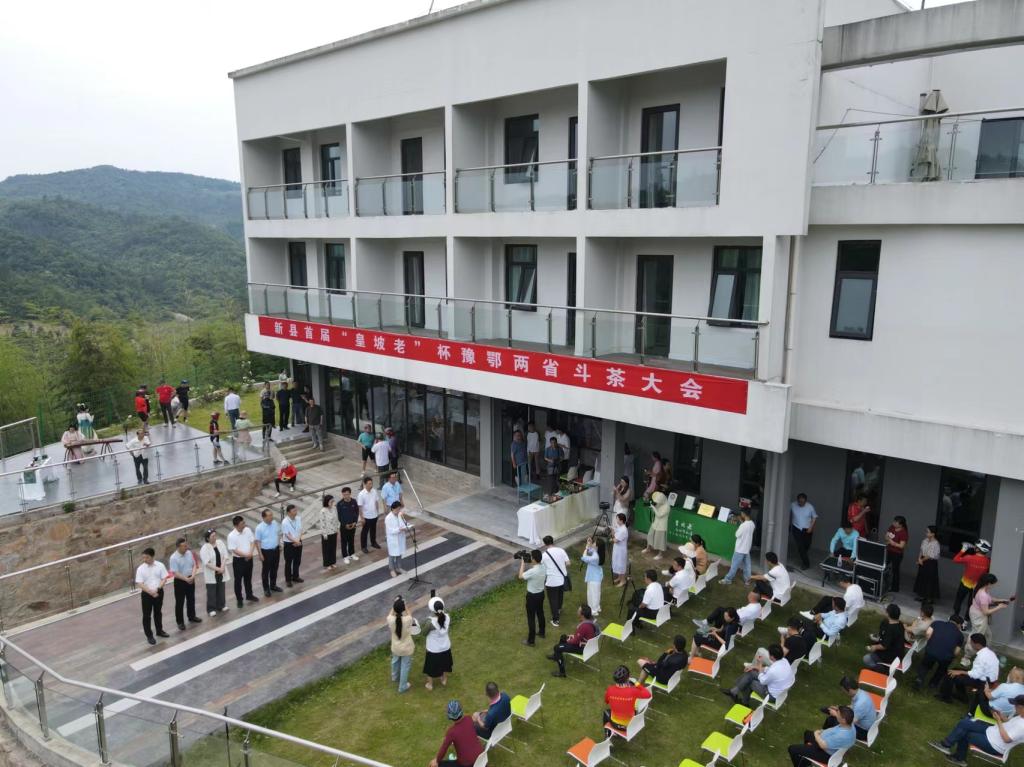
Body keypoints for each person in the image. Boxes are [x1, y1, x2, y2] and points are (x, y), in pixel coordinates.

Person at [929, 694, 1024, 767]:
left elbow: (1007, 739)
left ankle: (959, 758)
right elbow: (1010, 725)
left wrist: (998, 721)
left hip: (995, 745)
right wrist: (1002, 717)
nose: (1014, 707)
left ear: (1022, 707)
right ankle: (946, 745)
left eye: (1016, 705)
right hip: (992, 732)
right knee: (965, 723)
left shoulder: (1022, 725)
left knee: (966, 734)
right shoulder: (1021, 716)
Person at [723, 643, 794, 707]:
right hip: (779, 692)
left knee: (749, 682)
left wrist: (760, 664)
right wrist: (754, 667)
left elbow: (762, 680)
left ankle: (743, 701)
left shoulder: (774, 670)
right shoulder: (784, 661)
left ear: (772, 657)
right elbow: (768, 670)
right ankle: (734, 692)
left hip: (771, 696)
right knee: (751, 672)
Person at [938, 633, 1000, 704]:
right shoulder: (990, 653)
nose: (970, 645)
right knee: (956, 670)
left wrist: (960, 672)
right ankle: (961, 695)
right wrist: (960, 671)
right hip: (989, 680)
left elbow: (975, 675)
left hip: (983, 683)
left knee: (951, 674)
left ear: (977, 645)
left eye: (971, 643)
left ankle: (945, 698)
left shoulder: (981, 657)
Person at [787, 705, 856, 767]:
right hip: (828, 746)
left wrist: (816, 734)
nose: (836, 714)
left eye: (838, 714)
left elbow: (822, 745)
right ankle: (806, 759)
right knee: (807, 733)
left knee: (792, 749)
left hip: (825, 753)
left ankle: (804, 763)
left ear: (843, 720)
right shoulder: (850, 725)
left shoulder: (841, 735)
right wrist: (823, 731)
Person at [914, 614, 967, 690]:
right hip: (945, 656)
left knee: (925, 664)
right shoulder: (960, 635)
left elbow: (928, 633)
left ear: (949, 619)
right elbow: (956, 652)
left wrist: (930, 644)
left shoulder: (937, 623)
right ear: (959, 624)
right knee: (942, 669)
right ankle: (933, 684)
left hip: (931, 650)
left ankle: (919, 679)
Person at [429, 700, 483, 767]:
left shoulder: (451, 732)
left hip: (466, 764)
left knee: (433, 764)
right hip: (481, 759)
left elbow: (443, 749)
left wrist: (436, 760)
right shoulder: (469, 719)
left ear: (449, 716)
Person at [550, 604, 599, 677]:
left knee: (557, 648)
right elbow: (582, 636)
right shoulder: (590, 621)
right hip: (587, 645)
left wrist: (569, 640)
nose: (577, 611)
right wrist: (573, 637)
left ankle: (562, 672)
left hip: (583, 648)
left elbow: (575, 641)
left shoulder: (584, 626)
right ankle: (556, 656)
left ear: (582, 615)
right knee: (563, 637)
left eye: (579, 611)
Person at [820, 677, 876, 741]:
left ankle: (825, 740)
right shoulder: (860, 693)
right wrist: (839, 709)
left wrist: (836, 714)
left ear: (849, 690)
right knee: (832, 719)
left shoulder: (861, 703)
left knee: (835, 721)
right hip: (861, 725)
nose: (843, 692)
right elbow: (852, 707)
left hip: (864, 732)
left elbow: (849, 722)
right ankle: (823, 737)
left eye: (843, 690)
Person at [134, 547, 170, 645]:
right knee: (146, 615)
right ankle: (149, 635)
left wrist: (157, 589)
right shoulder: (141, 569)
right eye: (143, 558)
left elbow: (164, 579)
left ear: (152, 556)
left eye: (147, 557)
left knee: (158, 612)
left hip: (158, 592)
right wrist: (151, 592)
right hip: (147, 594)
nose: (144, 559)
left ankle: (159, 630)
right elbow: (140, 583)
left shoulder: (160, 565)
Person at [968, 573, 1012, 649]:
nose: (993, 586)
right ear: (988, 583)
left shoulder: (981, 588)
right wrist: (999, 607)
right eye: (993, 584)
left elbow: (989, 599)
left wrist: (1001, 600)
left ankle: (986, 650)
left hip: (977, 613)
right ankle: (968, 653)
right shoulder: (983, 595)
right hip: (979, 616)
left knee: (988, 635)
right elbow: (986, 612)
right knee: (976, 637)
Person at [168, 538, 202, 631]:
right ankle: (180, 622)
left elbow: (194, 565)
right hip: (180, 581)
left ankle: (192, 616)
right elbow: (175, 573)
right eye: (184, 546)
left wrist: (193, 576)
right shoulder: (173, 558)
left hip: (190, 578)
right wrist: (186, 579)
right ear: (178, 547)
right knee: (180, 602)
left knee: (191, 599)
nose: (186, 547)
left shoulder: (189, 553)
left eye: (186, 545)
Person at [603, 665, 652, 730]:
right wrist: (636, 683)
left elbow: (606, 701)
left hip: (615, 725)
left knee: (606, 712)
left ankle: (608, 732)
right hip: (631, 725)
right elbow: (648, 695)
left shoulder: (610, 690)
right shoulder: (633, 690)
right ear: (628, 678)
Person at [952, 540, 992, 618]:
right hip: (977, 586)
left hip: (964, 584)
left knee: (958, 600)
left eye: (976, 546)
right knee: (971, 604)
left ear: (978, 549)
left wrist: (963, 549)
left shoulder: (969, 557)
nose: (974, 547)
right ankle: (966, 621)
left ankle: (955, 616)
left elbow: (955, 559)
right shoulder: (988, 561)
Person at [226, 515, 259, 608]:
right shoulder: (231, 536)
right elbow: (234, 550)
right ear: (236, 525)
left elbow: (252, 542)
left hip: (249, 557)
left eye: (244, 522)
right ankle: (239, 599)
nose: (244, 525)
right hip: (239, 561)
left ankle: (249, 595)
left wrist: (250, 553)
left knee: (248, 578)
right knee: (238, 581)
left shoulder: (247, 530)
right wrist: (246, 555)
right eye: (242, 524)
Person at [388, 597, 418, 693]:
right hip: (406, 648)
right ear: (403, 608)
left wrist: (395, 604)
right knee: (405, 666)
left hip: (395, 647)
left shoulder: (390, 619)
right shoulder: (407, 620)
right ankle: (402, 686)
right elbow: (410, 615)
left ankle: (395, 677)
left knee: (395, 661)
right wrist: (405, 606)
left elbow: (390, 614)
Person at [423, 595, 454, 690]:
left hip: (433, 649)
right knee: (444, 664)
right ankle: (443, 679)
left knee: (430, 668)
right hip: (445, 646)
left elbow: (424, 633)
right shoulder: (447, 617)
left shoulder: (430, 622)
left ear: (433, 610)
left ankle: (430, 684)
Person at [519, 549, 547, 646]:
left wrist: (522, 563)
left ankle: (531, 641)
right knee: (540, 613)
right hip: (541, 594)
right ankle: (542, 632)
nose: (530, 558)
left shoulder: (533, 571)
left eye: (531, 557)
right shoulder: (543, 566)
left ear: (534, 559)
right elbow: (536, 565)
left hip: (532, 596)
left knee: (531, 618)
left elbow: (520, 576)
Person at [541, 535, 571, 628]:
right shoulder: (561, 550)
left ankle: (555, 620)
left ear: (545, 544)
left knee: (553, 600)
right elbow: (568, 563)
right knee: (560, 595)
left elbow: (542, 568)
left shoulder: (544, 555)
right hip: (562, 579)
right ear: (553, 541)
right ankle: (558, 609)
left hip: (551, 581)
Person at [721, 509, 756, 585]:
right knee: (747, 566)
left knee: (734, 566)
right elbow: (747, 531)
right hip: (747, 549)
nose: (741, 514)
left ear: (744, 514)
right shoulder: (752, 524)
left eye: (741, 513)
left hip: (740, 549)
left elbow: (736, 535)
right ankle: (747, 580)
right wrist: (742, 523)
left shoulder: (743, 525)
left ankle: (728, 579)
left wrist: (741, 525)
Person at [199, 529, 230, 616]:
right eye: (212, 536)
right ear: (208, 538)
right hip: (212, 572)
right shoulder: (204, 548)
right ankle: (211, 609)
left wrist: (222, 567)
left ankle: (221, 605)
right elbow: (207, 563)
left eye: (215, 535)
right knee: (211, 591)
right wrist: (218, 569)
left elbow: (225, 555)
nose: (214, 537)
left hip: (221, 570)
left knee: (221, 588)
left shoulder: (220, 543)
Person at [863, 603, 903, 668]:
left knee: (866, 659)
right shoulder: (900, 624)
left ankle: (880, 669)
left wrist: (874, 647)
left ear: (888, 614)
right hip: (898, 652)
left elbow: (884, 646)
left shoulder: (891, 629)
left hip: (891, 656)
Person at [255, 509, 282, 596]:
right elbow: (257, 542)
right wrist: (260, 554)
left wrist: (279, 544)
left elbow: (278, 534)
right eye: (269, 515)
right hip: (266, 552)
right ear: (264, 517)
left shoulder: (275, 523)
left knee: (275, 568)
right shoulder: (259, 528)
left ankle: (273, 585)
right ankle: (266, 589)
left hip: (276, 550)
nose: (271, 517)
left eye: (272, 515)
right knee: (266, 571)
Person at [913, 524, 942, 602]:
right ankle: (922, 595)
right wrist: (919, 558)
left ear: (933, 534)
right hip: (923, 560)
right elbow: (921, 550)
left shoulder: (936, 543)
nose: (926, 533)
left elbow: (930, 555)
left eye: (928, 532)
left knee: (930, 579)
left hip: (930, 563)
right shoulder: (924, 540)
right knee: (922, 578)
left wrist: (921, 560)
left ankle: (929, 598)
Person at [789, 492, 817, 569]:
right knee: (800, 547)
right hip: (796, 528)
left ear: (805, 501)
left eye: (803, 502)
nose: (801, 503)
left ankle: (803, 554)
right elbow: (785, 511)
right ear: (797, 500)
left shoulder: (810, 507)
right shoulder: (793, 505)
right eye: (800, 502)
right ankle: (806, 564)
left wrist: (811, 527)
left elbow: (814, 517)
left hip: (807, 529)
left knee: (807, 545)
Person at [385, 501, 411, 577]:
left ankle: (398, 568)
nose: (398, 511)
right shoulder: (388, 518)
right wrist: (399, 530)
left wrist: (408, 526)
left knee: (399, 553)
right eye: (397, 509)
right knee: (392, 555)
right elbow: (390, 531)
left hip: (400, 537)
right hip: (393, 539)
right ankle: (392, 569)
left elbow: (404, 523)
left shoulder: (400, 515)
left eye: (399, 509)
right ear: (392, 509)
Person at [885, 515, 909, 592]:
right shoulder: (892, 527)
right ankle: (883, 583)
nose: (894, 523)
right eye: (894, 521)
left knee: (895, 570)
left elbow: (902, 546)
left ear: (901, 525)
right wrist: (888, 539)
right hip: (889, 550)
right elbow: (886, 536)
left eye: (896, 522)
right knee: (884, 566)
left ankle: (895, 588)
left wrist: (893, 543)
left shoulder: (904, 532)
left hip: (897, 553)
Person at [282, 503, 304, 586]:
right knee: (288, 562)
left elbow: (300, 530)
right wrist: (295, 541)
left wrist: (298, 540)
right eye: (294, 511)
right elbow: (287, 534)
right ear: (288, 512)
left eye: (296, 510)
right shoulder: (285, 522)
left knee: (297, 560)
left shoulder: (298, 518)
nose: (296, 512)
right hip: (289, 544)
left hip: (298, 541)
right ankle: (288, 579)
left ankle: (296, 576)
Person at [357, 476, 381, 552]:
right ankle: (363, 546)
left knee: (373, 530)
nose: (371, 485)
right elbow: (360, 507)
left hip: (374, 515)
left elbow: (376, 501)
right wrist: (362, 518)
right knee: (365, 532)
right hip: (366, 516)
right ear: (365, 484)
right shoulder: (361, 494)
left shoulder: (374, 491)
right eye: (369, 484)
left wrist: (377, 512)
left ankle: (373, 542)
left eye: (371, 483)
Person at [643, 491, 670, 559]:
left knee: (660, 540)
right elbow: (655, 511)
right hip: (655, 523)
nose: (656, 502)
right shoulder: (659, 503)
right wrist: (652, 507)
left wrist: (653, 508)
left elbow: (659, 515)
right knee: (650, 535)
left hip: (661, 526)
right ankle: (648, 548)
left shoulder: (667, 507)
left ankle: (660, 554)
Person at [337, 486, 360, 565]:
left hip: (353, 525)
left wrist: (355, 522)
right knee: (344, 541)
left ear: (350, 494)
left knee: (351, 540)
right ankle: (345, 556)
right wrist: (345, 524)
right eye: (344, 495)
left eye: (347, 494)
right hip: (344, 526)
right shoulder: (340, 504)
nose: (345, 496)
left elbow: (356, 512)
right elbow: (339, 516)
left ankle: (352, 554)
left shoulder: (354, 501)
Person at [582, 537, 605, 616]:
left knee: (592, 594)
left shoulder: (595, 556)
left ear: (597, 546)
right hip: (596, 576)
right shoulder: (598, 552)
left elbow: (584, 558)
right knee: (596, 593)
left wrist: (586, 548)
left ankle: (593, 610)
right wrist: (589, 544)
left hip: (593, 577)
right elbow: (591, 551)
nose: (593, 543)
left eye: (594, 543)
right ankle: (596, 607)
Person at [317, 493, 339, 570]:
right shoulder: (323, 511)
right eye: (331, 501)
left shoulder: (334, 508)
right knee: (326, 549)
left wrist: (337, 528)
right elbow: (322, 524)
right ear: (327, 502)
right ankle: (327, 563)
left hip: (334, 531)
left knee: (333, 548)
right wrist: (325, 534)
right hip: (327, 533)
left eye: (333, 501)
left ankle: (333, 562)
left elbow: (336, 519)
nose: (332, 503)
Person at [611, 512, 629, 587]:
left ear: (621, 521)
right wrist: (613, 531)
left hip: (621, 550)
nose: (616, 521)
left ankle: (623, 580)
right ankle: (619, 577)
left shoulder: (623, 530)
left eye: (617, 519)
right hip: (617, 549)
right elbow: (615, 535)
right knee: (617, 563)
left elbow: (615, 540)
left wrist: (612, 536)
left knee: (621, 565)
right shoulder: (620, 527)